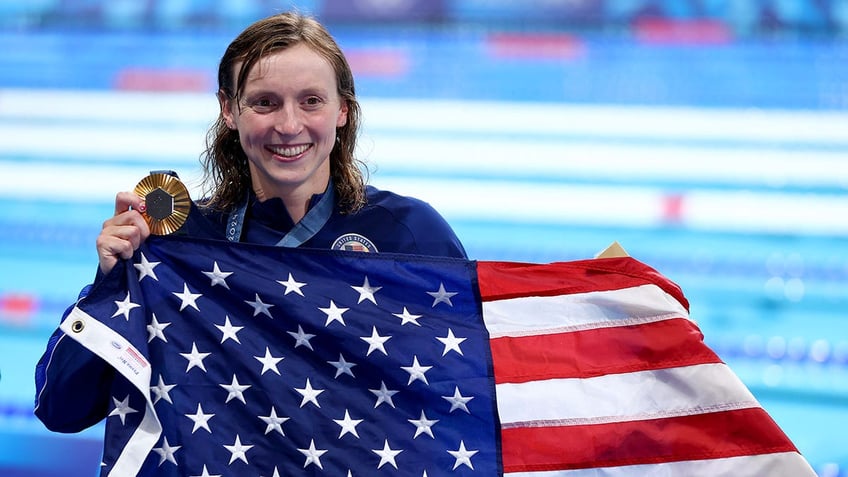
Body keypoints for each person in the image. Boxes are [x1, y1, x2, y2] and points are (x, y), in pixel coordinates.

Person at [35, 11, 465, 437]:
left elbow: (469, 400)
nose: (289, 125)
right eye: (265, 102)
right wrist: (111, 283)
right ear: (229, 109)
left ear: (343, 111)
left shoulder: (408, 235)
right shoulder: (180, 241)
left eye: (311, 101)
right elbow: (62, 409)